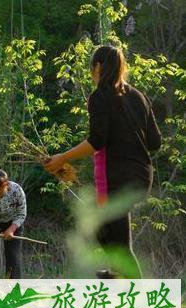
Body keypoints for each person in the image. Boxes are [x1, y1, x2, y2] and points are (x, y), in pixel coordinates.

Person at [44, 45, 161, 278]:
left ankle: (138, 299)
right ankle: (115, 275)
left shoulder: (100, 96)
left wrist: (62, 158)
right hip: (141, 176)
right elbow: (155, 142)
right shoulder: (138, 96)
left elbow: (97, 141)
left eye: (91, 67)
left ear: (97, 67)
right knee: (98, 225)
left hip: (118, 179)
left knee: (121, 247)